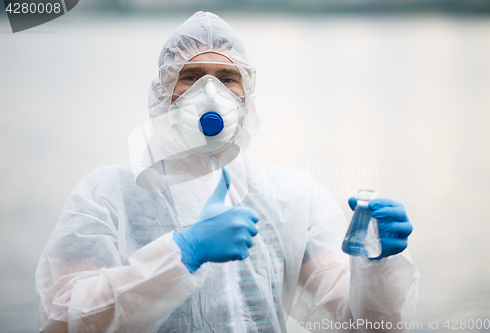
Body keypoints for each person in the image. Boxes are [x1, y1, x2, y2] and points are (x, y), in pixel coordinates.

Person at [35, 11, 419, 333]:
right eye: (192, 76)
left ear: (246, 94)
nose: (210, 91)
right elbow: (62, 319)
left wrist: (375, 265)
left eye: (226, 77)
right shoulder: (109, 193)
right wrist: (181, 254)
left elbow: (360, 324)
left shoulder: (288, 198)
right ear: (163, 92)